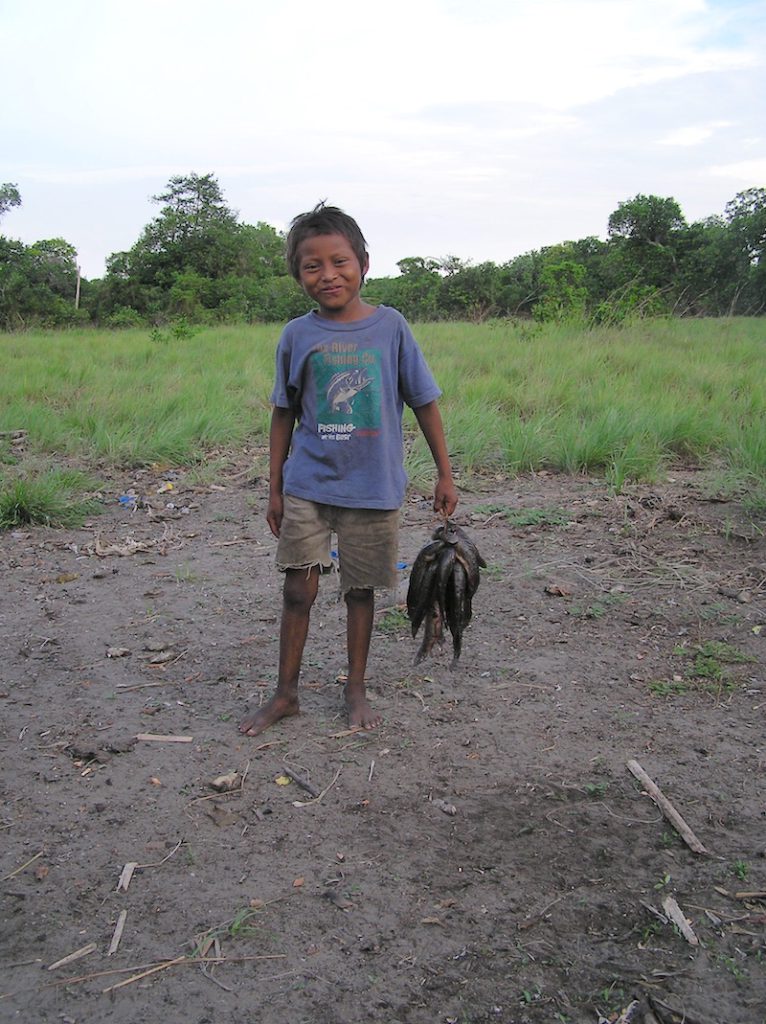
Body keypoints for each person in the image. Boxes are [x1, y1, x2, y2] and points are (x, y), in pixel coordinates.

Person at [239, 203, 458, 737]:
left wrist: (445, 474)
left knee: (360, 591)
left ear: (363, 262)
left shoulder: (391, 328)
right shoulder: (296, 335)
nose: (328, 274)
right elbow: (284, 414)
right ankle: (285, 694)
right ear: (298, 275)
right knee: (298, 589)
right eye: (312, 266)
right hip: (309, 484)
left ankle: (354, 688)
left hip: (373, 486)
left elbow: (424, 401)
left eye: (340, 262)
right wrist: (274, 488)